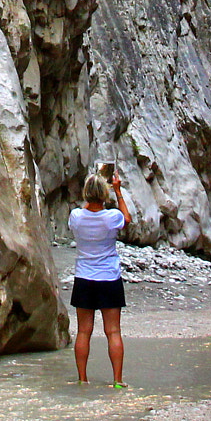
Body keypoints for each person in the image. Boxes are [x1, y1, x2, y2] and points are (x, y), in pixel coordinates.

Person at [69, 163, 130, 387]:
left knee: (83, 332)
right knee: (113, 331)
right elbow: (127, 219)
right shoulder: (111, 217)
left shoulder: (76, 216)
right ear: (104, 194)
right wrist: (118, 191)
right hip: (109, 278)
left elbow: (86, 210)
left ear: (86, 194)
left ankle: (83, 379)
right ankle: (117, 380)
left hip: (84, 278)